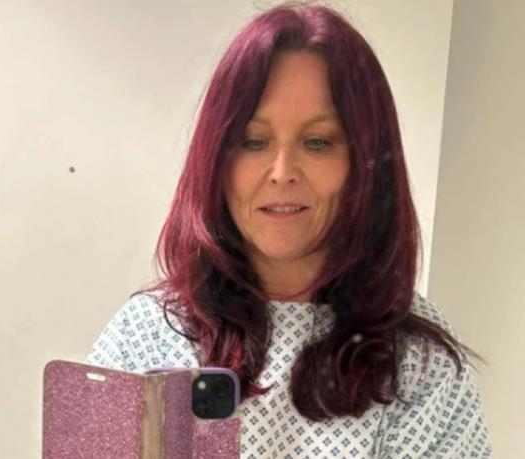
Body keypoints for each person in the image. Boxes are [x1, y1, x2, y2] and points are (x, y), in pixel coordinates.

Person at [85, 2, 494, 457]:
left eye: (317, 142)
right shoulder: (145, 335)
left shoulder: (420, 364)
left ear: (367, 166)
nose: (281, 173)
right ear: (216, 159)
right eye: (253, 141)